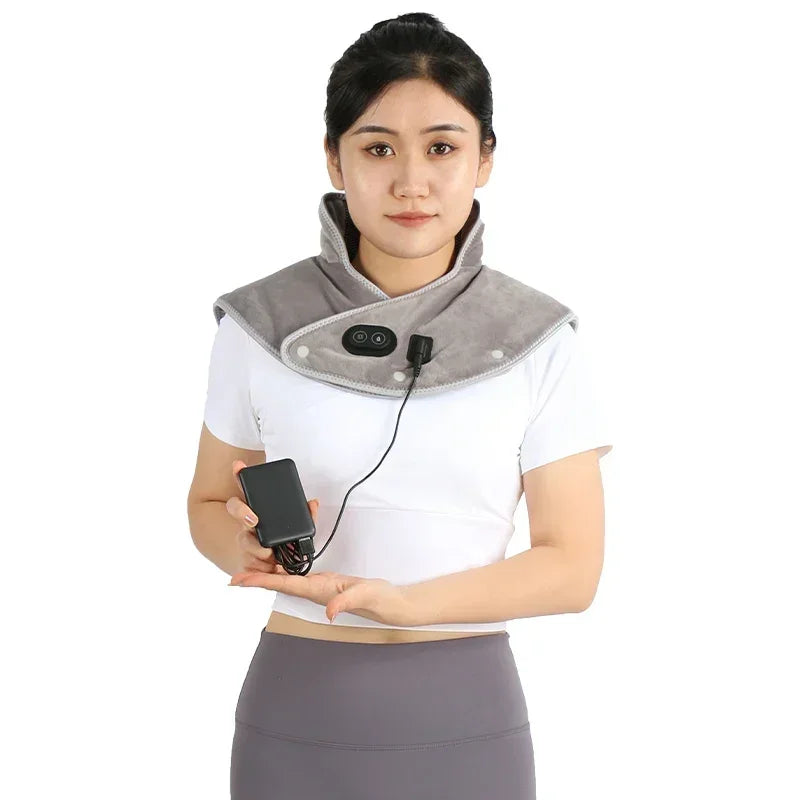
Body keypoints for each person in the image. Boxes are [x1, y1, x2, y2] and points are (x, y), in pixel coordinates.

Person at [187, 12, 612, 799]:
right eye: (378, 148)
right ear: (334, 158)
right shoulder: (259, 324)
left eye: (442, 147)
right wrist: (246, 546)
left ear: (485, 158)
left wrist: (407, 604)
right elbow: (209, 503)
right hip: (296, 708)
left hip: (466, 715)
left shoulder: (538, 339)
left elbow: (572, 568)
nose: (411, 181)